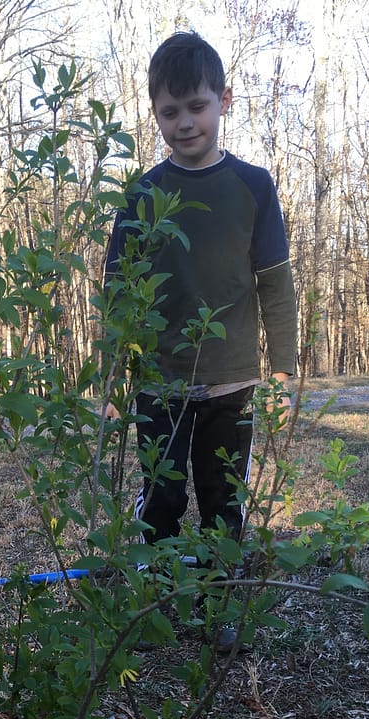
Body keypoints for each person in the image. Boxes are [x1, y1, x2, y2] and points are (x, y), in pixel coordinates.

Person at [104, 31, 297, 550]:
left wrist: (281, 372)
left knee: (223, 497)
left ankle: (221, 599)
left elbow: (276, 282)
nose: (185, 122)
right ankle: (156, 595)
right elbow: (117, 291)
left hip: (231, 383)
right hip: (157, 382)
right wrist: (115, 381)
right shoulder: (141, 194)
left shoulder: (254, 186)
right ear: (155, 113)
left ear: (224, 101)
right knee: (161, 496)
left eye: (197, 106)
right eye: (170, 112)